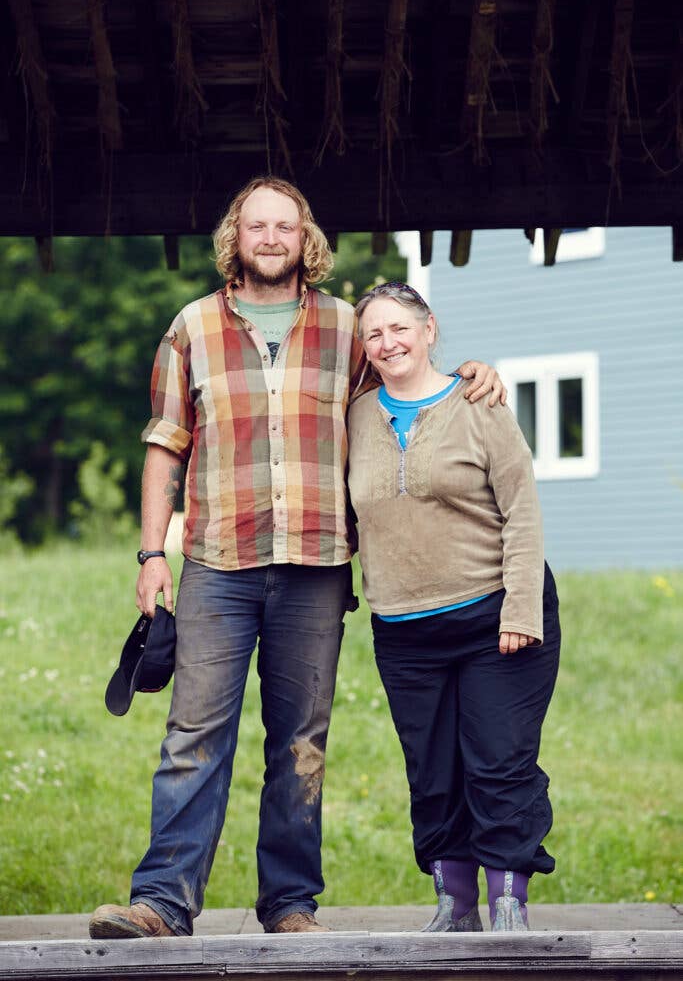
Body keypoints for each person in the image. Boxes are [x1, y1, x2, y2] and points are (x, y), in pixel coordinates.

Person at [89, 178, 505, 940]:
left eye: (285, 225)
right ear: (235, 238)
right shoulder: (191, 328)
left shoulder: (349, 328)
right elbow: (163, 443)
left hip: (317, 566)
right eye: (257, 226)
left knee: (301, 743)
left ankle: (289, 906)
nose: (272, 237)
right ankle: (162, 903)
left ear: (304, 237)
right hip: (217, 561)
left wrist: (471, 372)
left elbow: (407, 377)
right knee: (193, 736)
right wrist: (153, 553)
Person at [347, 281, 561, 932]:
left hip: (495, 618)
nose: (388, 343)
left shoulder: (479, 402)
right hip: (403, 631)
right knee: (433, 773)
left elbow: (522, 514)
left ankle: (506, 904)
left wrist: (520, 610)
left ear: (429, 328)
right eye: (373, 335)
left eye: (398, 328)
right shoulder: (353, 417)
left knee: (497, 762)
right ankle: (454, 903)